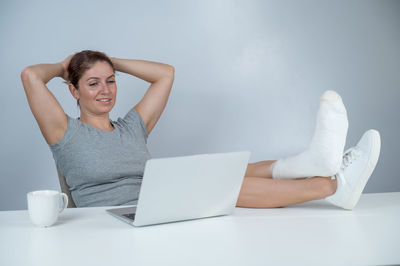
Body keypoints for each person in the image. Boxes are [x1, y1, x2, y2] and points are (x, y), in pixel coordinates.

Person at [21, 50, 381, 210]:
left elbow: (166, 73)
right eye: (93, 83)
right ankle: (331, 187)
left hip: (156, 201)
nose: (105, 90)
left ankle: (308, 164)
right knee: (221, 185)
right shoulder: (63, 131)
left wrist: (110, 61)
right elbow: (30, 76)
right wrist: (63, 65)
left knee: (221, 169)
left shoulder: (132, 126)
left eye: (111, 81)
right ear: (74, 90)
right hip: (121, 214)